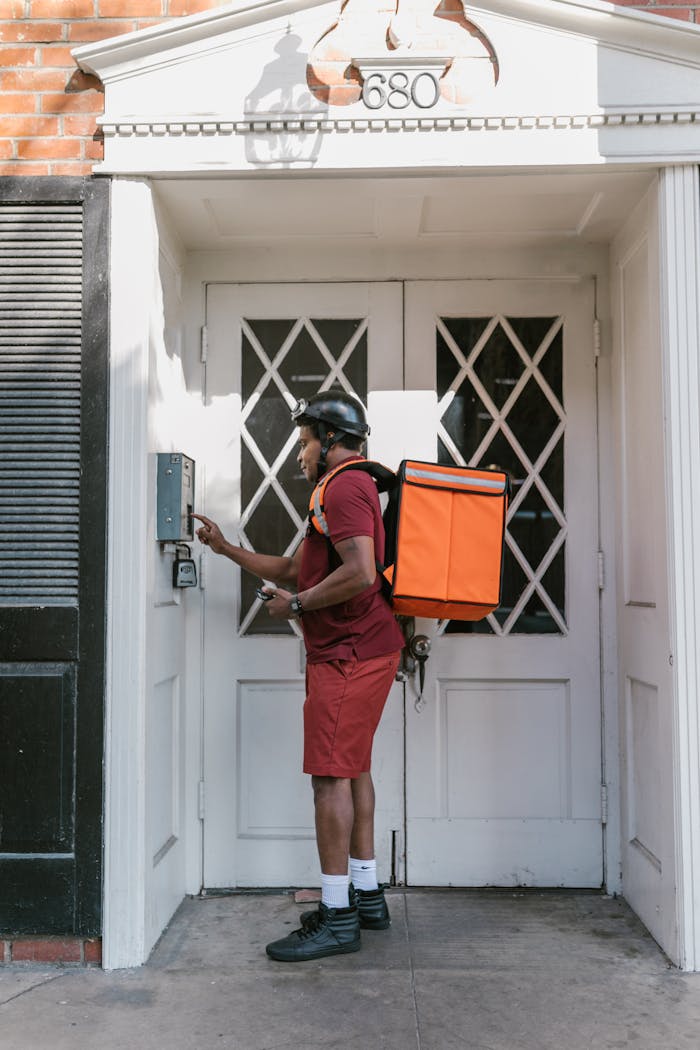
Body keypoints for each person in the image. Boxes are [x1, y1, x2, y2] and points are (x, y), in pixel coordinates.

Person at [193, 391, 405, 963]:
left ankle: (337, 916)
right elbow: (295, 567)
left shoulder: (345, 486)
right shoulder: (343, 489)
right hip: (359, 648)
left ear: (331, 440)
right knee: (352, 766)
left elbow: (360, 573)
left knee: (329, 778)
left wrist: (298, 606)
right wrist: (224, 548)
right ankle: (365, 897)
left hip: (350, 652)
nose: (300, 454)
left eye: (306, 441)